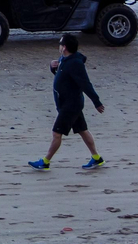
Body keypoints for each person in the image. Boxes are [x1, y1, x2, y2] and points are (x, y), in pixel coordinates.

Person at [30, 33, 104, 169]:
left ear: (64, 47)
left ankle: (45, 162)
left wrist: (96, 101)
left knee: (56, 133)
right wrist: (53, 68)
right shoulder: (64, 59)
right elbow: (63, 77)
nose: (59, 46)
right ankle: (96, 158)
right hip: (68, 103)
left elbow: (85, 84)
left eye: (60, 44)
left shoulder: (75, 63)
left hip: (71, 105)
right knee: (82, 130)